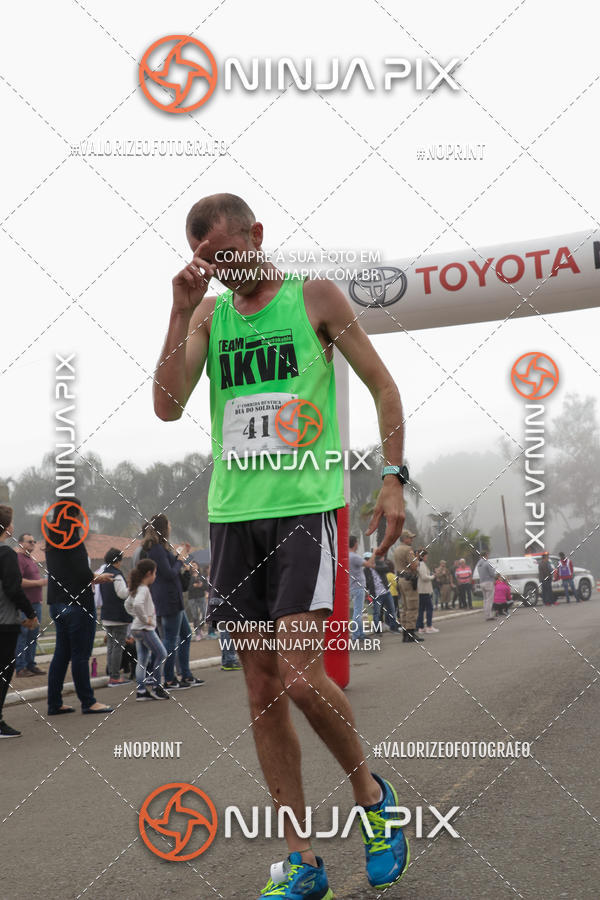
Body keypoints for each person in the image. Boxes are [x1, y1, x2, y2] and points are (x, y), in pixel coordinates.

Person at [154, 193, 410, 896]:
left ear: (257, 235)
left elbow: (384, 387)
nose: (218, 269)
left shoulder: (315, 297)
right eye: (206, 260)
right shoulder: (206, 315)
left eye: (227, 253)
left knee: (300, 676)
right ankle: (302, 860)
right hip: (234, 516)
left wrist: (391, 479)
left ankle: (373, 802)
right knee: (262, 690)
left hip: (305, 508)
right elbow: (168, 404)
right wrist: (179, 309)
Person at [45, 499, 114, 716]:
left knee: (61, 654)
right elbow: (81, 571)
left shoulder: (51, 538)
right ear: (73, 515)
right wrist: (97, 577)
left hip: (56, 602)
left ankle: (54, 703)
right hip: (77, 604)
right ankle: (88, 701)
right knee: (80, 654)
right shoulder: (73, 537)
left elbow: (65, 570)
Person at [141, 516, 204, 689]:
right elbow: (168, 573)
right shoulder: (156, 550)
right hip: (167, 599)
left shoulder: (161, 548)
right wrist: (179, 560)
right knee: (170, 639)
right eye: (168, 524)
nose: (171, 526)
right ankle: (169, 678)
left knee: (185, 635)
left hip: (173, 598)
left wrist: (179, 556)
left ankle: (186, 675)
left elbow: (170, 570)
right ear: (163, 527)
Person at [0, 506, 39, 737]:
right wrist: (30, 614)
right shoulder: (6, 555)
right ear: (9, 526)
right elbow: (13, 589)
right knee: (5, 669)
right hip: (5, 621)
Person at [126, 559, 169, 701]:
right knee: (162, 654)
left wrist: (137, 617)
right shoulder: (143, 589)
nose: (155, 576)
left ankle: (141, 691)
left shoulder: (137, 587)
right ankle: (157, 687)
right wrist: (146, 619)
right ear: (149, 573)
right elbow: (137, 605)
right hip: (145, 628)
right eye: (155, 573)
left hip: (136, 628)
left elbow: (128, 604)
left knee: (142, 659)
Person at [14, 532, 47, 677]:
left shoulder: (30, 559)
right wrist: (38, 582)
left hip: (36, 603)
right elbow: (18, 581)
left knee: (33, 636)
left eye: (34, 542)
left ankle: (30, 664)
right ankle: (20, 667)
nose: (33, 544)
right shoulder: (19, 559)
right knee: (23, 635)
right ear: (21, 543)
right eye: (30, 542)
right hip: (24, 606)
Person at [99, 548, 132, 687]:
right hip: (118, 616)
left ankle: (112, 674)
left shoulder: (103, 573)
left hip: (107, 615)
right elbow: (122, 594)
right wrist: (132, 587)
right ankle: (115, 677)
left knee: (111, 647)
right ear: (118, 561)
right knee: (118, 647)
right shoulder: (117, 575)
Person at [394, 529, 422, 642]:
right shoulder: (408, 550)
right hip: (409, 579)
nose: (411, 540)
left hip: (400, 579)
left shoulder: (397, 549)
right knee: (412, 606)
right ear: (404, 538)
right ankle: (410, 633)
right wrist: (417, 559)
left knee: (405, 607)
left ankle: (405, 633)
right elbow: (414, 566)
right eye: (410, 538)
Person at [364, 552, 400, 633]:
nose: (368, 560)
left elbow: (386, 569)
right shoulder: (365, 570)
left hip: (386, 592)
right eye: (366, 559)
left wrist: (374, 567)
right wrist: (367, 591)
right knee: (376, 613)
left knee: (392, 610)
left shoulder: (379, 564)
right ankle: (377, 631)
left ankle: (394, 628)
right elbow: (365, 582)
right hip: (376, 595)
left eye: (369, 558)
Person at [348, 535, 367, 640]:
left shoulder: (346, 556)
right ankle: (357, 635)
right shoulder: (354, 556)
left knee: (357, 611)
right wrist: (375, 553)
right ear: (355, 543)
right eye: (357, 542)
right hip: (358, 587)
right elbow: (368, 563)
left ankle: (359, 634)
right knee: (357, 612)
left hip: (351, 586)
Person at [416, 548, 438, 634]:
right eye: (426, 556)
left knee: (421, 609)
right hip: (424, 590)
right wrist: (432, 577)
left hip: (422, 590)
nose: (427, 557)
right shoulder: (421, 564)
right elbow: (424, 577)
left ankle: (421, 627)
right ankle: (429, 626)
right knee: (429, 608)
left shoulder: (420, 564)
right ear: (422, 556)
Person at [475, 551, 496, 621]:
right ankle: (489, 615)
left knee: (485, 599)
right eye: (488, 554)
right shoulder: (487, 563)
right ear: (486, 555)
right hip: (489, 582)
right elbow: (492, 573)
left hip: (482, 582)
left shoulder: (478, 564)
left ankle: (486, 614)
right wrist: (494, 571)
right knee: (489, 599)